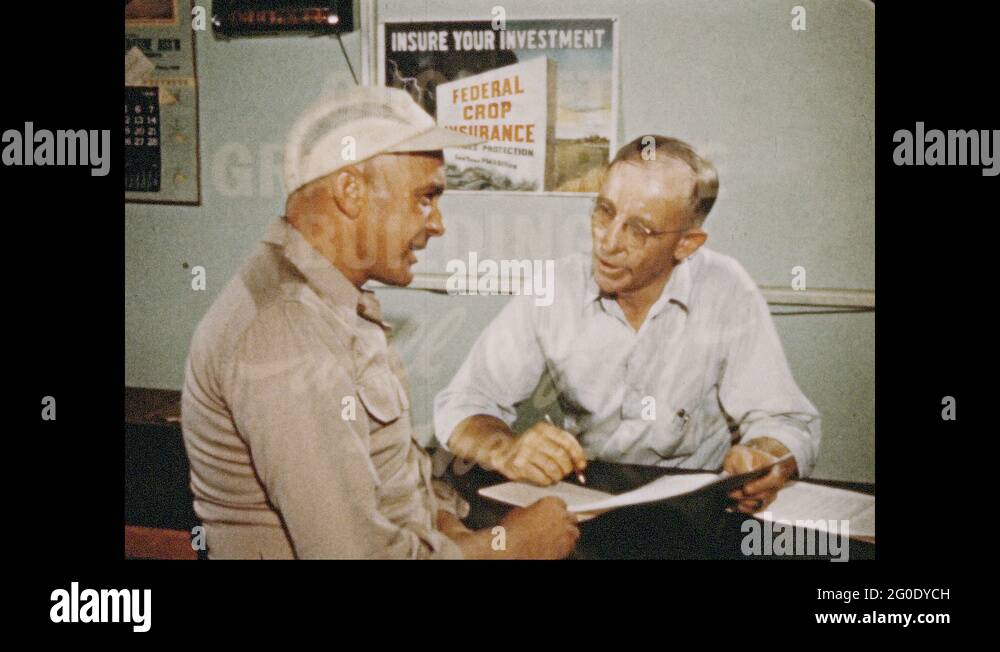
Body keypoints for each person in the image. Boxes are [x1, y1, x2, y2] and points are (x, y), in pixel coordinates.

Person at [180, 85, 579, 558]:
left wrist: (451, 529)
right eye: (426, 197)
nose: (438, 224)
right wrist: (512, 549)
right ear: (351, 191)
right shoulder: (286, 331)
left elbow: (388, 486)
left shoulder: (331, 304)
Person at [434, 135, 821, 514]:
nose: (608, 242)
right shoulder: (553, 288)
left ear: (686, 244)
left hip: (696, 511)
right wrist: (504, 448)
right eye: (604, 211)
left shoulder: (726, 288)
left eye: (639, 229)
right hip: (590, 502)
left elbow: (785, 421)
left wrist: (766, 458)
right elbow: (466, 400)